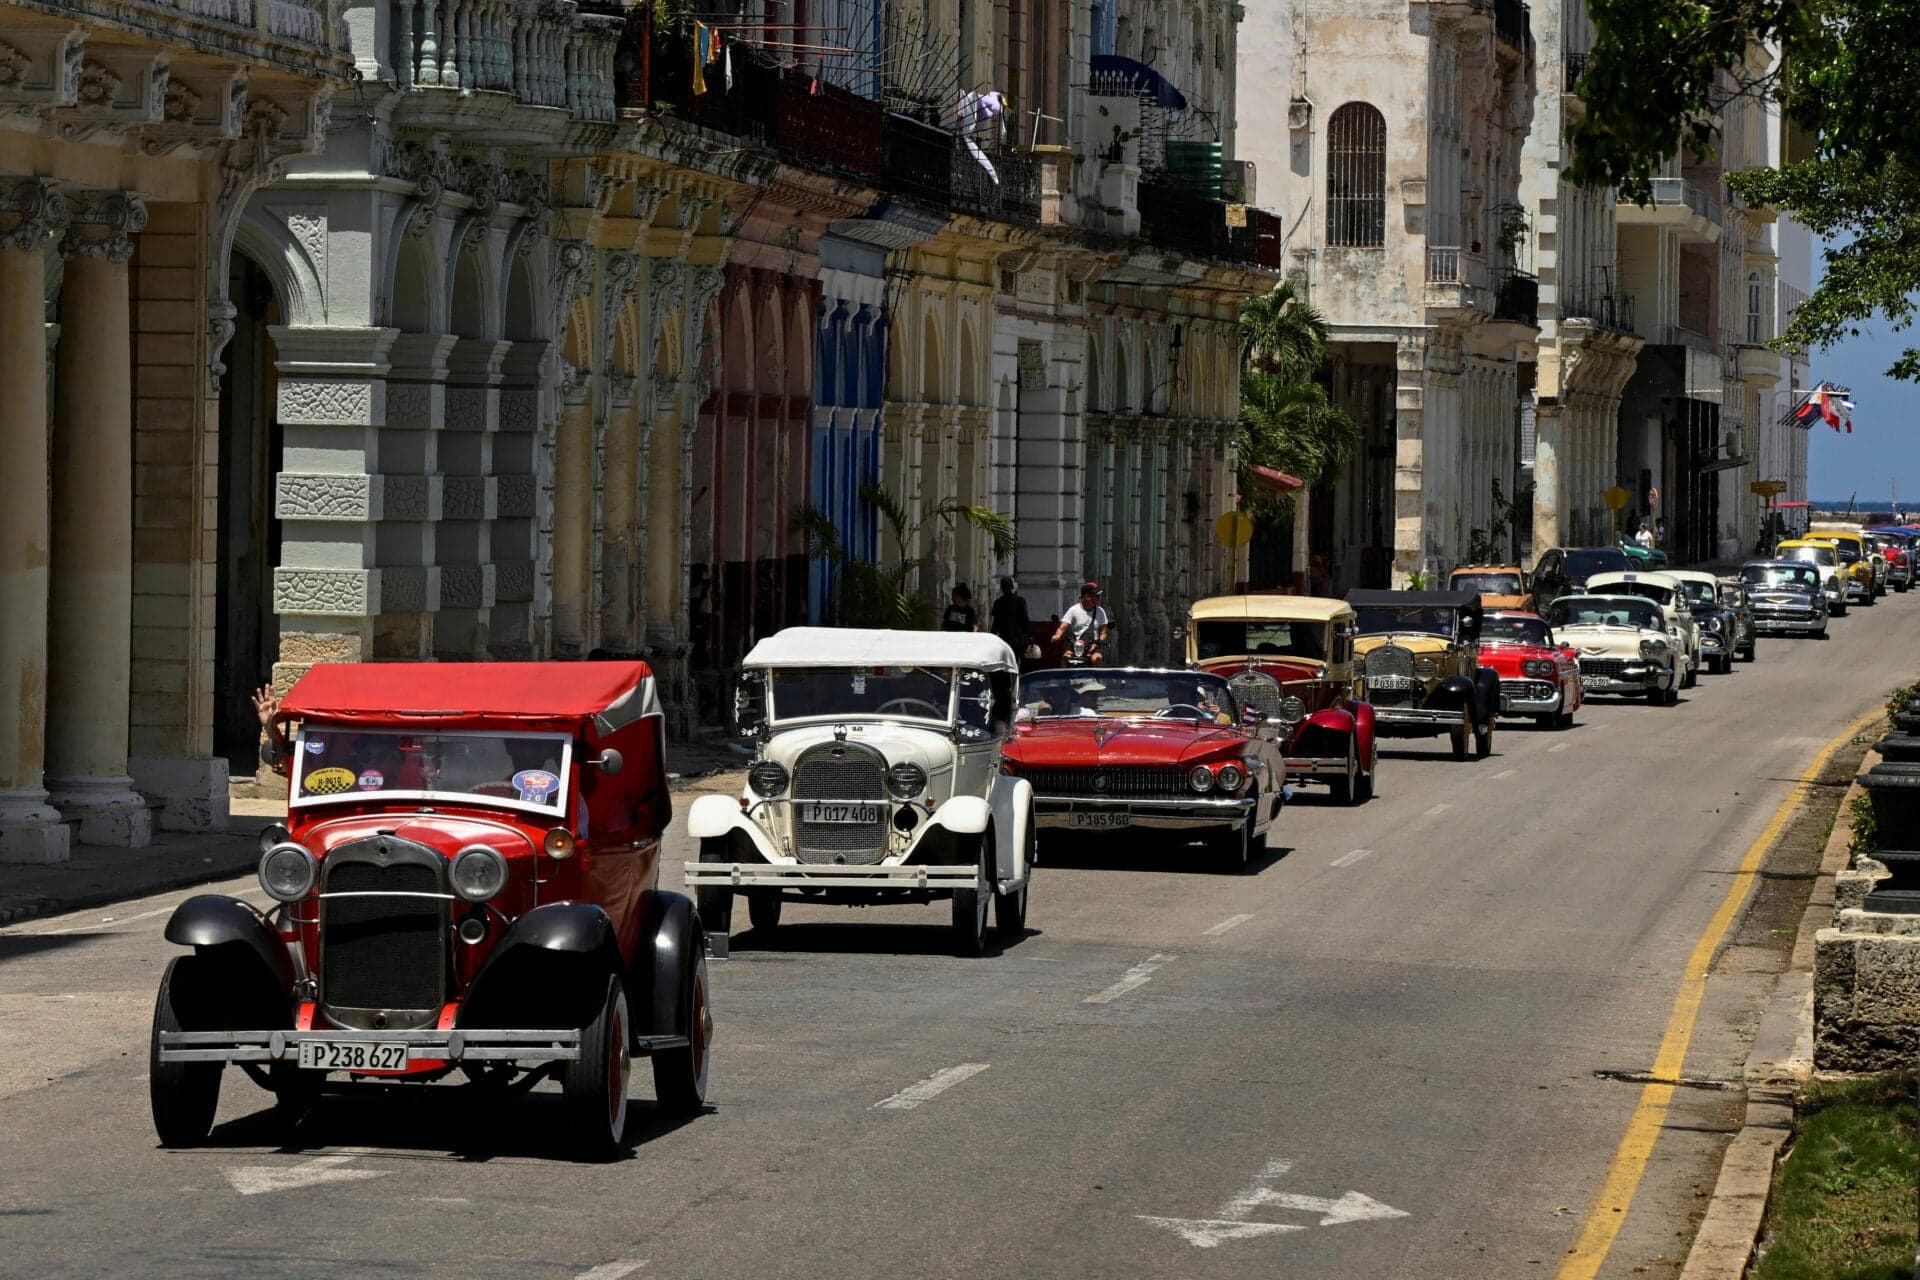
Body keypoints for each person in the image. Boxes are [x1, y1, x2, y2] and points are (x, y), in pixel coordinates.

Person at [1052, 581, 1111, 664]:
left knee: (1097, 659)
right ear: (1087, 597)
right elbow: (1062, 627)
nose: (1099, 598)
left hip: (1094, 645)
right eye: (1096, 596)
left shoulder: (1100, 611)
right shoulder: (1073, 610)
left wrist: (1098, 642)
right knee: (1065, 658)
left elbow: (1103, 632)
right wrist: (1057, 636)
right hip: (1075, 645)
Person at [989, 576, 1031, 654]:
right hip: (1017, 637)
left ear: (1001, 588)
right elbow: (1025, 620)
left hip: (1004, 637)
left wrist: (992, 637)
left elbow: (995, 623)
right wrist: (1029, 635)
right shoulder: (1020, 601)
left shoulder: (998, 603)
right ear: (1012, 587)